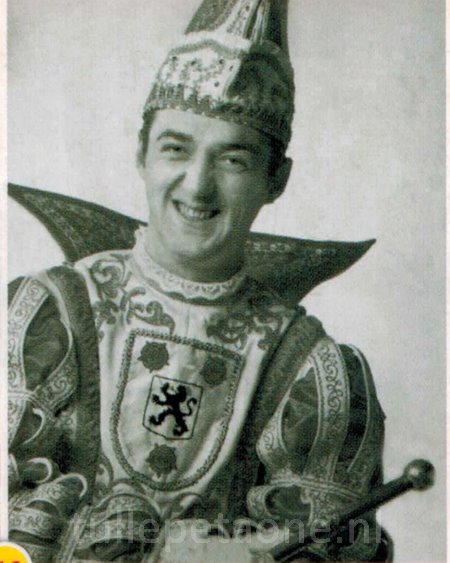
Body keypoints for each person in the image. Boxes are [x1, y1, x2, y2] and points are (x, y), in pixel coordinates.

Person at [7, 0, 391, 561]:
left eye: (233, 160)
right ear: (142, 154)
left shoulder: (309, 369)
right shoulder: (46, 314)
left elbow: (335, 546)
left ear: (276, 179)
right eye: (176, 149)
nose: (197, 185)